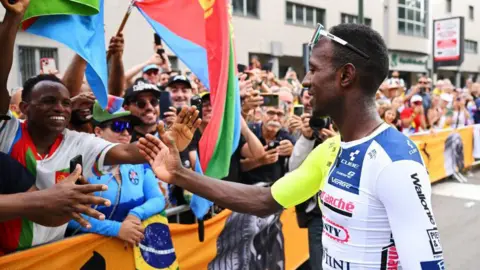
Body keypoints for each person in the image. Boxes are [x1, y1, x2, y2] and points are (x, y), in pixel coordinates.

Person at [138, 23, 444, 269]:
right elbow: (264, 200)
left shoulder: (396, 163)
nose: (306, 81)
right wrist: (179, 174)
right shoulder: (330, 150)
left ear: (346, 76)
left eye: (313, 68)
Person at [68, 100, 165, 246]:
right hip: (86, 254)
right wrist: (117, 229)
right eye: (118, 126)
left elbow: (158, 199)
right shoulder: (79, 165)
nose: (126, 133)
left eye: (129, 127)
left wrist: (136, 214)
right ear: (98, 131)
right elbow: (69, 216)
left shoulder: (139, 162)